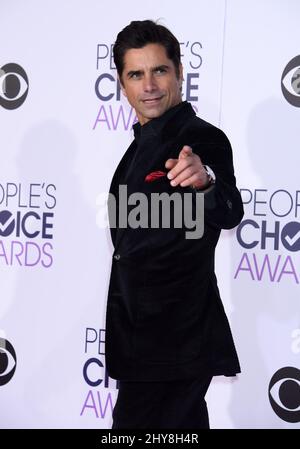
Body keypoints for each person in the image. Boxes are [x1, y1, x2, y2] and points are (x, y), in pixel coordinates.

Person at [105, 19, 244, 429]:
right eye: (136, 74)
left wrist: (206, 182)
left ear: (180, 73)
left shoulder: (200, 139)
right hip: (140, 339)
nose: (148, 85)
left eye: (159, 70)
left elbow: (230, 209)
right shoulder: (136, 147)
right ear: (122, 83)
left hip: (175, 340)